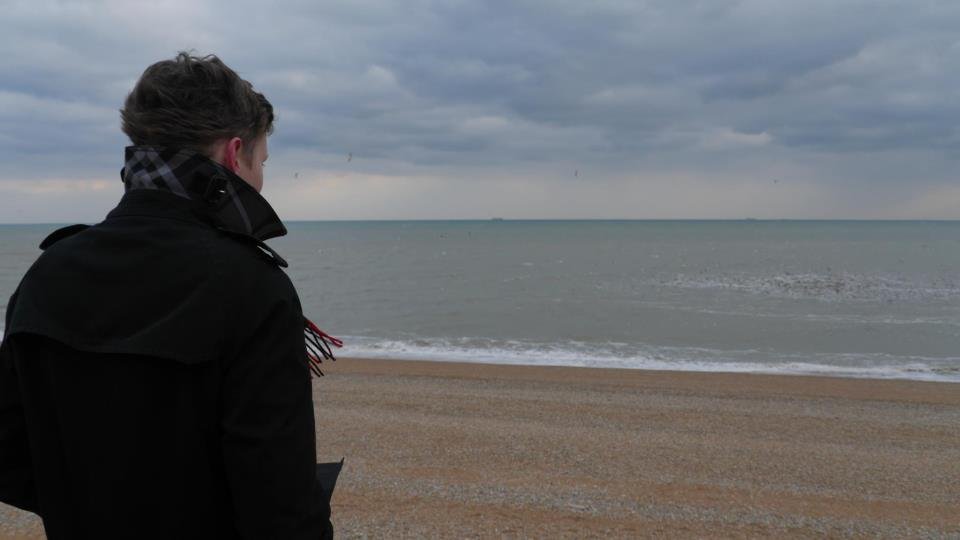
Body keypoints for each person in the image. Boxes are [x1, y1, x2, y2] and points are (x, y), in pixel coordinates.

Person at [0, 52, 337, 538]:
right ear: (234, 153)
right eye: (262, 162)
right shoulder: (252, 287)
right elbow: (282, 509)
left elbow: (10, 453)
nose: (262, 179)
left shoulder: (48, 273)